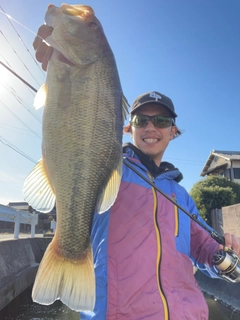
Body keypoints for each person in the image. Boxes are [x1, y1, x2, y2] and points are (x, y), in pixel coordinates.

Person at [33, 25, 240, 320]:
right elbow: (75, 144)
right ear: (129, 129)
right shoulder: (109, 168)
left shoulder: (181, 196)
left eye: (162, 120)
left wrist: (223, 255)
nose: (151, 127)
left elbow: (203, 247)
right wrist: (63, 76)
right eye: (141, 120)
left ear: (173, 131)